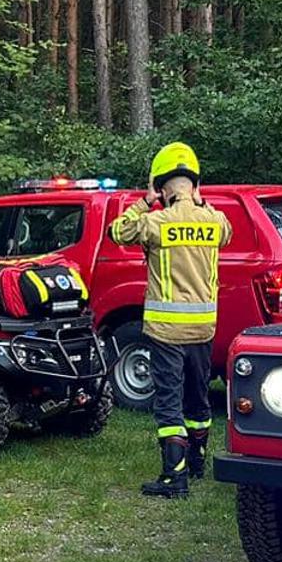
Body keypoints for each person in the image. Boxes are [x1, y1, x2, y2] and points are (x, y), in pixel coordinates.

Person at [107, 143, 231, 499]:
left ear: (161, 186)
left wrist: (146, 201)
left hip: (166, 329)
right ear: (194, 183)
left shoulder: (155, 221)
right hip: (203, 327)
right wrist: (201, 202)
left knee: (168, 400)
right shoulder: (214, 220)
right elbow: (226, 233)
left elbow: (118, 231)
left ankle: (173, 477)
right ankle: (196, 463)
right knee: (198, 399)